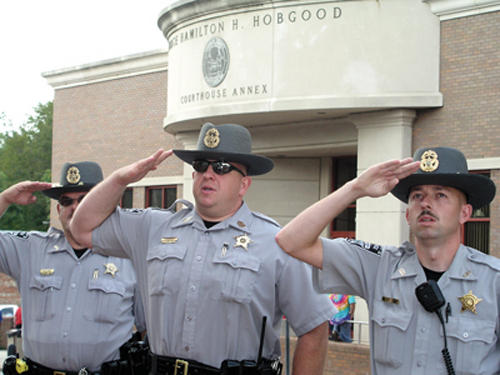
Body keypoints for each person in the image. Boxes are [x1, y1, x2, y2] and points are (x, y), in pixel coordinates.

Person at [70, 123, 335, 375]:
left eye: (221, 167)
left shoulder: (276, 241)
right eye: (201, 165)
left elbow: (313, 326)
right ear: (194, 174)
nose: (209, 173)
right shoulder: (152, 227)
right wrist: (121, 179)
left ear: (244, 184)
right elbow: (80, 228)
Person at [276, 146, 500, 375]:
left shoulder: (493, 281)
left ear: (465, 213)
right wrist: (355, 188)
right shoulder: (380, 266)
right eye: (417, 196)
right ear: (408, 215)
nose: (426, 203)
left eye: (440, 195)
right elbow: (291, 241)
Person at [0, 162, 147, 375]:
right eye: (66, 201)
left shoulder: (130, 257)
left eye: (85, 199)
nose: (75, 207)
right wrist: (4, 198)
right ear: (59, 209)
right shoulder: (30, 249)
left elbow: (146, 330)